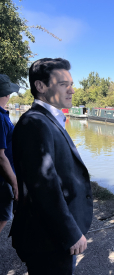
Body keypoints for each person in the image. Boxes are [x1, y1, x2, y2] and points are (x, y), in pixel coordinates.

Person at [10, 58, 93, 275]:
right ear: (41, 86)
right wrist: (71, 233)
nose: (72, 90)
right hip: (49, 240)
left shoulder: (48, 120)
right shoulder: (35, 124)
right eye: (64, 84)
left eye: (71, 84)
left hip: (53, 237)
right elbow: (44, 188)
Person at [0, 74, 20, 234]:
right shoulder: (0, 118)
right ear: (6, 94)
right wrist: (15, 184)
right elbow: (0, 156)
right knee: (3, 216)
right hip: (3, 178)